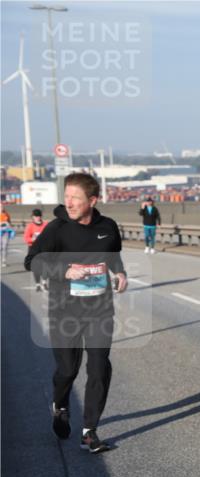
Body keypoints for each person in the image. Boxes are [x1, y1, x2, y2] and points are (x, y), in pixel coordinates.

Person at [24, 172, 127, 454]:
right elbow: (31, 261)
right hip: (64, 310)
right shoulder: (57, 229)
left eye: (75, 198)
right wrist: (64, 271)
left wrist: (120, 273)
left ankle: (89, 431)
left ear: (92, 200)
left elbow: (114, 255)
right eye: (66, 196)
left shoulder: (108, 226)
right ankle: (60, 405)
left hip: (100, 309)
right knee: (68, 370)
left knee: (99, 366)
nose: (68, 202)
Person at [24, 209, 49, 290]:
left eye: (39, 216)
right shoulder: (30, 226)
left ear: (41, 216)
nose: (37, 218)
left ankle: (44, 282)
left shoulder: (45, 225)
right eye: (36, 216)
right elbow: (26, 238)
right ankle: (38, 284)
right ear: (33, 217)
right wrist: (33, 239)